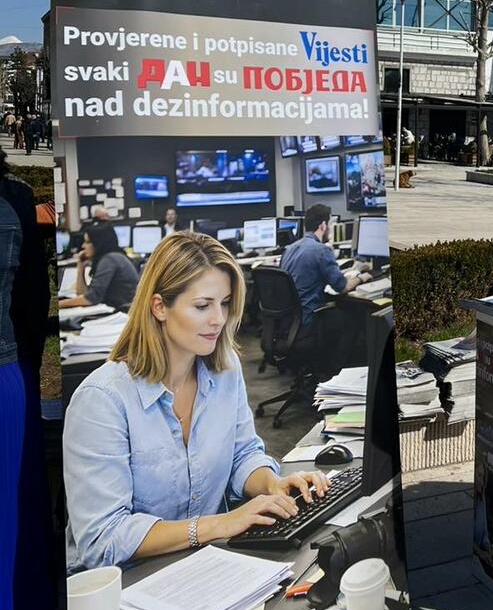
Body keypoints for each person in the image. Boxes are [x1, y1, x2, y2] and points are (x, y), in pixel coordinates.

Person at [63, 231, 331, 570]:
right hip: (127, 581)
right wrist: (219, 524)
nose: (219, 319)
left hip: (205, 565)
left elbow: (242, 454)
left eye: (225, 303)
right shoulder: (101, 401)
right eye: (203, 306)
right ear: (159, 306)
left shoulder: (225, 369)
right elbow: (103, 540)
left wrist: (272, 484)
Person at [0, 149, 55, 610]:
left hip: (8, 372)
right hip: (7, 372)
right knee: (9, 518)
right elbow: (32, 304)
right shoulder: (14, 198)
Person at [279, 203, 371, 333]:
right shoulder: (322, 250)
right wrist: (362, 277)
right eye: (330, 224)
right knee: (354, 318)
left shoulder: (289, 250)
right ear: (323, 225)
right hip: (309, 318)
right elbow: (342, 287)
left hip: (289, 321)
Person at [59, 224, 139, 311]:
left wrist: (58, 304)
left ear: (98, 243)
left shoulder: (110, 259)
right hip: (116, 309)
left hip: (122, 312)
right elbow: (83, 294)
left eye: (87, 242)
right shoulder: (110, 257)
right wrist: (80, 268)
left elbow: (90, 299)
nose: (83, 246)